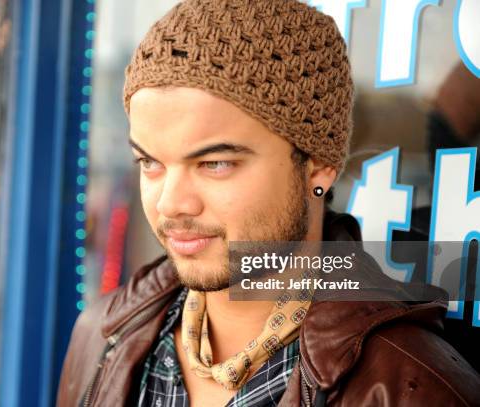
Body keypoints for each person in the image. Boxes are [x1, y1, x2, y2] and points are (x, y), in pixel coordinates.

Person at [57, 1, 480, 405]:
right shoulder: (101, 336)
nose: (171, 204)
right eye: (150, 162)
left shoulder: (413, 387)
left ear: (318, 166)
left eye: (215, 163)